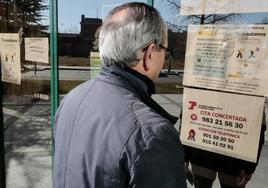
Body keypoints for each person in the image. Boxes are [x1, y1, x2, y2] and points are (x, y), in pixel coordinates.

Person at [53, 2, 187, 188]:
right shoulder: (151, 133)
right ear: (149, 53)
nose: (165, 59)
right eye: (165, 50)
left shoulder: (72, 97)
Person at [183, 110, 266, 188]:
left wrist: (249, 167)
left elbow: (257, 127)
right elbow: (187, 116)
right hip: (204, 156)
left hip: (232, 160)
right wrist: (184, 155)